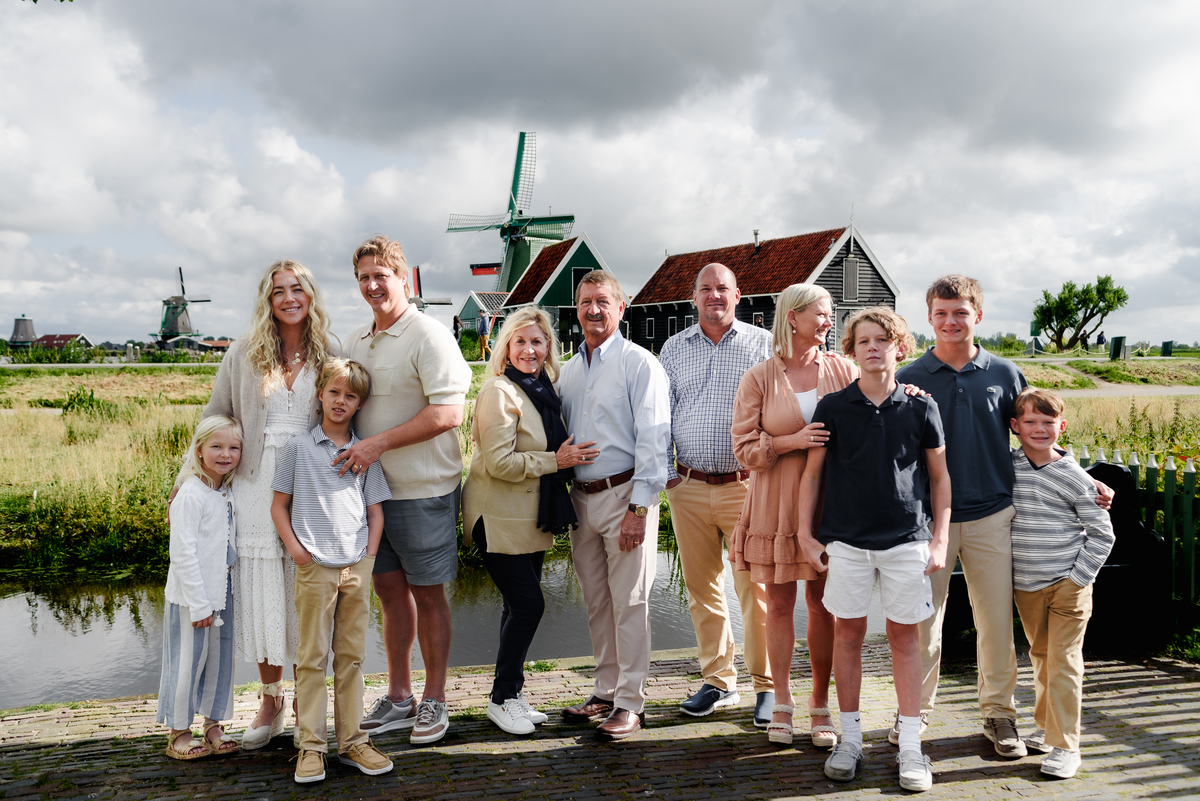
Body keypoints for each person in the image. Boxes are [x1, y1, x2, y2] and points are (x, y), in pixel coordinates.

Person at [894, 275, 1112, 756]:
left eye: (960, 313)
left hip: (993, 514)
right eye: (942, 313)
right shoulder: (909, 377)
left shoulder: (1005, 373)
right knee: (923, 624)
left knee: (994, 625)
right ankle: (915, 713)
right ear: (929, 317)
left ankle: (999, 715)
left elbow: (1037, 430)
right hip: (929, 522)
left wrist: (1082, 476)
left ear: (978, 316)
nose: (951, 322)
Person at [797, 308, 950, 793]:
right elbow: (813, 474)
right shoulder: (834, 407)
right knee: (848, 637)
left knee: (906, 640)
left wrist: (940, 538)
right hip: (846, 541)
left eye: (883, 339)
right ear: (851, 349)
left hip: (907, 540)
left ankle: (910, 747)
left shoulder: (922, 407)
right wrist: (806, 534)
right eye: (863, 341)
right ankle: (851, 738)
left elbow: (941, 479)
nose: (873, 347)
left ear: (898, 347)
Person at [339, 235, 472, 746]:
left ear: (404, 279)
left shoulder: (429, 336)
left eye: (382, 275)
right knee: (389, 593)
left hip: (423, 489)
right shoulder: (355, 342)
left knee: (429, 594)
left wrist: (376, 444)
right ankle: (399, 697)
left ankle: (435, 699)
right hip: (371, 495)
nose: (373, 285)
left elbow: (449, 412)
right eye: (364, 278)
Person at [199, 259, 332, 749]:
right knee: (262, 594)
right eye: (279, 291)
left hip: (312, 482)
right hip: (256, 486)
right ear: (267, 300)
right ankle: (271, 697)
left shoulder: (329, 350)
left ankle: (307, 699)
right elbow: (215, 416)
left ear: (310, 295)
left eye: (298, 289)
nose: (289, 298)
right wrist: (191, 475)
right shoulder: (242, 354)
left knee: (305, 588)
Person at [728, 283, 857, 749]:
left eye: (830, 314)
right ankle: (781, 700)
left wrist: (910, 390)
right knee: (779, 605)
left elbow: (877, 408)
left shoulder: (844, 370)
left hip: (831, 504)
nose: (829, 321)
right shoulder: (759, 378)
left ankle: (820, 704)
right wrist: (790, 442)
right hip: (775, 503)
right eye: (821, 314)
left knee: (823, 604)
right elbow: (743, 448)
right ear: (793, 318)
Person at [462, 306, 599, 736]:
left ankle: (511, 693)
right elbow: (499, 462)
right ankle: (502, 698)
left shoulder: (542, 389)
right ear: (506, 347)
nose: (528, 349)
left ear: (547, 348)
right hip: (498, 516)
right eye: (519, 341)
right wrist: (554, 461)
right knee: (529, 605)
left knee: (514, 608)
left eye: (536, 342)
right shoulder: (499, 392)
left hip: (529, 516)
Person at [659, 263, 775, 727]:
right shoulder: (673, 348)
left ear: (738, 294)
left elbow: (782, 407)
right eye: (705, 289)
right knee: (701, 588)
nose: (714, 296)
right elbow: (661, 414)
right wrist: (667, 472)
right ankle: (719, 681)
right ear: (693, 298)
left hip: (745, 487)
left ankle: (767, 685)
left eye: (722, 288)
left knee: (756, 588)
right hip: (687, 486)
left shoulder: (763, 345)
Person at [557, 270, 670, 740]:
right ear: (577, 308)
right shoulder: (570, 368)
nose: (594, 310)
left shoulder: (639, 364)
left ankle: (631, 702)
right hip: (581, 501)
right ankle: (605, 689)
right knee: (597, 601)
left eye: (603, 301)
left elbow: (655, 440)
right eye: (585, 302)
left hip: (625, 496)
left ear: (621, 308)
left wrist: (639, 509)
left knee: (630, 602)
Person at [271, 359, 394, 783]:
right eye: (334, 393)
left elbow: (375, 513)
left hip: (357, 566)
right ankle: (310, 746)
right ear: (319, 395)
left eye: (350, 396)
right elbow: (278, 506)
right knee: (311, 659)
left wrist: (369, 557)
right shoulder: (298, 449)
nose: (341, 401)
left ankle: (353, 741)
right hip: (314, 569)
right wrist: (298, 552)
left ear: (359, 404)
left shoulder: (365, 453)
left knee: (352, 657)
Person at [1008, 388, 1114, 779]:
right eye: (1030, 422)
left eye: (1048, 422)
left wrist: (1077, 580)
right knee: (1040, 656)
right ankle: (1045, 727)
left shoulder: (1075, 477)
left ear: (1061, 427)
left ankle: (1067, 745)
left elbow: (1102, 535)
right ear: (1015, 427)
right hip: (1027, 585)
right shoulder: (1008, 467)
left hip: (1069, 584)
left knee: (1065, 661)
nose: (1039, 429)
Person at [158, 416, 244, 761]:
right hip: (192, 598)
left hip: (221, 593)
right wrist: (198, 604)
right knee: (187, 664)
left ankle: (213, 724)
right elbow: (181, 552)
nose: (225, 454)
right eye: (217, 447)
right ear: (199, 450)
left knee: (220, 662)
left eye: (233, 447)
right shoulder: (190, 494)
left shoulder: (225, 491)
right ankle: (178, 732)